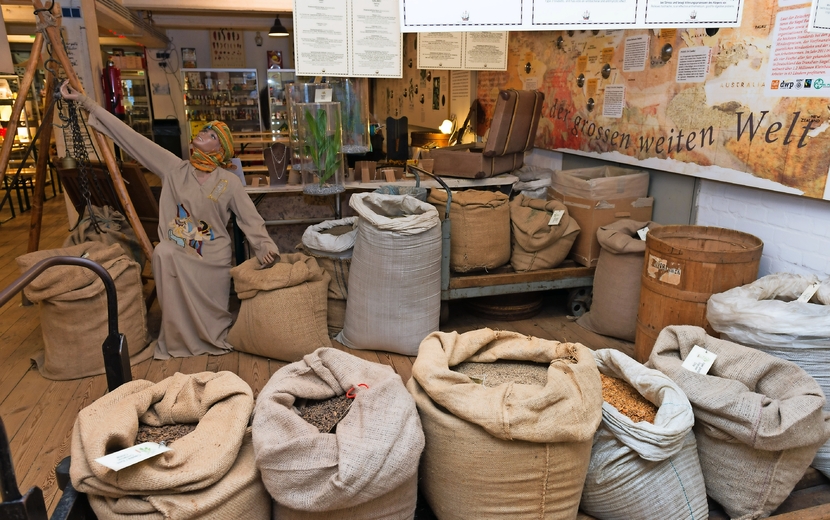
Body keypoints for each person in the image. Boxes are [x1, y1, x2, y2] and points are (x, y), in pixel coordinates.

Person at [60, 80, 279, 359]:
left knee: (188, 262)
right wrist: (86, 103)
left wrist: (265, 248)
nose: (203, 133)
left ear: (220, 148)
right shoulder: (175, 169)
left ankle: (209, 333)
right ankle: (176, 338)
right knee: (163, 252)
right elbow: (131, 139)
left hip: (213, 254)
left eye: (211, 134)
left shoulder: (229, 182)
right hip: (179, 247)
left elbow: (251, 219)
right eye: (204, 129)